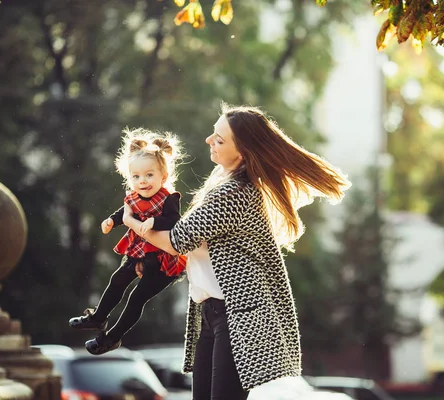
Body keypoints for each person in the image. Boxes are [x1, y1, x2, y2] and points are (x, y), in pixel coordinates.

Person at [123, 104, 351, 400]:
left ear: (241, 152)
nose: (208, 141)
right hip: (211, 311)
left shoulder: (233, 193)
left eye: (219, 139)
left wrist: (131, 222)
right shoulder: (220, 181)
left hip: (236, 313)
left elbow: (179, 239)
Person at [68, 128, 187, 355]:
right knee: (118, 279)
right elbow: (125, 211)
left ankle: (112, 338)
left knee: (136, 298)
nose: (142, 181)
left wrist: (153, 222)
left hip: (164, 262)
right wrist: (112, 221)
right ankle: (98, 317)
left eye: (149, 175)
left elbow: (173, 221)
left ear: (163, 176)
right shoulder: (133, 197)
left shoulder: (169, 198)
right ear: (129, 177)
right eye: (136, 177)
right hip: (140, 251)